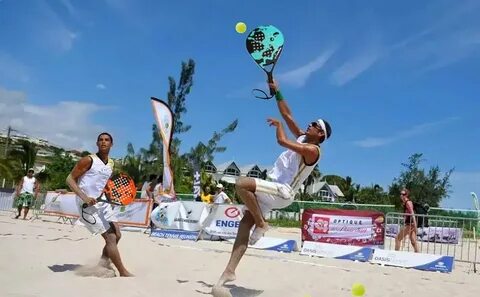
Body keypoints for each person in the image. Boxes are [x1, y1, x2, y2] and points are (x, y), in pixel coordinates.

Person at [215, 81, 331, 288]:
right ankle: (229, 271)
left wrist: (279, 127)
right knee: (243, 225)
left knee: (241, 183)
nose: (310, 124)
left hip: (283, 193)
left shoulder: (314, 151)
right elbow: (288, 115)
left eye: (315, 124)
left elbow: (282, 142)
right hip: (271, 189)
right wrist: (277, 91)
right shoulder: (304, 137)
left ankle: (261, 224)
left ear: (320, 134)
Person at [66, 132, 133, 277]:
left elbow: (103, 184)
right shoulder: (88, 160)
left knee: (117, 235)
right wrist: (84, 197)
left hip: (102, 202)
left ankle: (102, 263)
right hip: (86, 204)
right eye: (101, 140)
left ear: (111, 144)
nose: (103, 142)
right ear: (97, 143)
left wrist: (110, 195)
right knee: (110, 238)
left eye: (107, 140)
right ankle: (123, 272)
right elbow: (69, 179)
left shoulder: (111, 163)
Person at [395, 188, 420, 253]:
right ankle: (418, 255)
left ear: (406, 195)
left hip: (409, 224)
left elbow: (413, 214)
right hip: (410, 224)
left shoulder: (408, 202)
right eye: (400, 194)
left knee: (397, 238)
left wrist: (415, 225)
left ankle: (395, 255)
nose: (401, 195)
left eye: (403, 194)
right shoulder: (405, 203)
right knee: (413, 241)